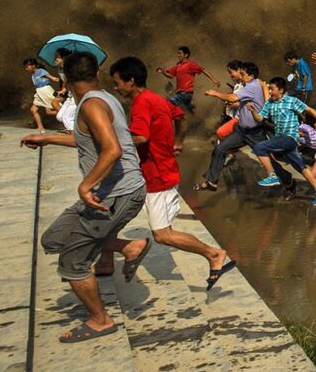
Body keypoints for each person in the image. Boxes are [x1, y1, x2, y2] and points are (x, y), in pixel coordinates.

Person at [19, 52, 148, 343]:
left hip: (118, 193)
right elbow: (88, 139)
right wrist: (47, 138)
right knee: (53, 238)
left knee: (73, 262)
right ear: (97, 74)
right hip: (112, 191)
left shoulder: (93, 105)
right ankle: (128, 247)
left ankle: (100, 320)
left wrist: (85, 185)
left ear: (65, 78)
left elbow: (112, 149)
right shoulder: (100, 99)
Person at [100, 57, 237, 290]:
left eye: (117, 82)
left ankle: (213, 254)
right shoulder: (157, 99)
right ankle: (105, 261)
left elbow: (141, 137)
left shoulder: (142, 103)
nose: (116, 87)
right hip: (152, 173)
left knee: (163, 235)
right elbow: (181, 118)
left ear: (131, 81)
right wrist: (178, 142)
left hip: (158, 177)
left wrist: (110, 142)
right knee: (108, 215)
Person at [250, 77, 316, 206]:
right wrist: (253, 111)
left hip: (290, 138)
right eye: (269, 89)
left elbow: (308, 109)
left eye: (272, 89)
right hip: (281, 139)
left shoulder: (291, 101)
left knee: (259, 148)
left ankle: (272, 175)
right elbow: (260, 118)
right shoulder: (269, 103)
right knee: (301, 167)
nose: (270, 92)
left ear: (281, 90)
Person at [196, 61, 267, 191]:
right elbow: (241, 101)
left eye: (242, 73)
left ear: (251, 76)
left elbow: (233, 97)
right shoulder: (248, 84)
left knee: (268, 159)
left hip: (254, 133)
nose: (240, 75)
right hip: (241, 131)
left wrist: (214, 93)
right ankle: (212, 182)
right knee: (220, 149)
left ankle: (288, 181)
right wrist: (237, 104)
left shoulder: (251, 86)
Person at [156, 46, 220, 113]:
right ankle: (196, 116)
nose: (178, 55)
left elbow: (202, 70)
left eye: (180, 53)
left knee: (168, 103)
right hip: (182, 93)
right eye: (178, 53)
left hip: (185, 93)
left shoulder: (190, 64)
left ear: (186, 55)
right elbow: (170, 75)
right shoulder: (178, 66)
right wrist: (163, 72)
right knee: (188, 111)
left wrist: (213, 79)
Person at [24, 57, 60, 132]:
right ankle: (41, 127)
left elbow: (52, 78)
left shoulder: (41, 71)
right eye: (25, 66)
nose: (26, 68)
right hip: (39, 92)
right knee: (33, 110)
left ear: (33, 65)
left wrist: (58, 79)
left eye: (28, 66)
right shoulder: (32, 75)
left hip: (45, 91)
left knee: (50, 111)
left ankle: (66, 115)